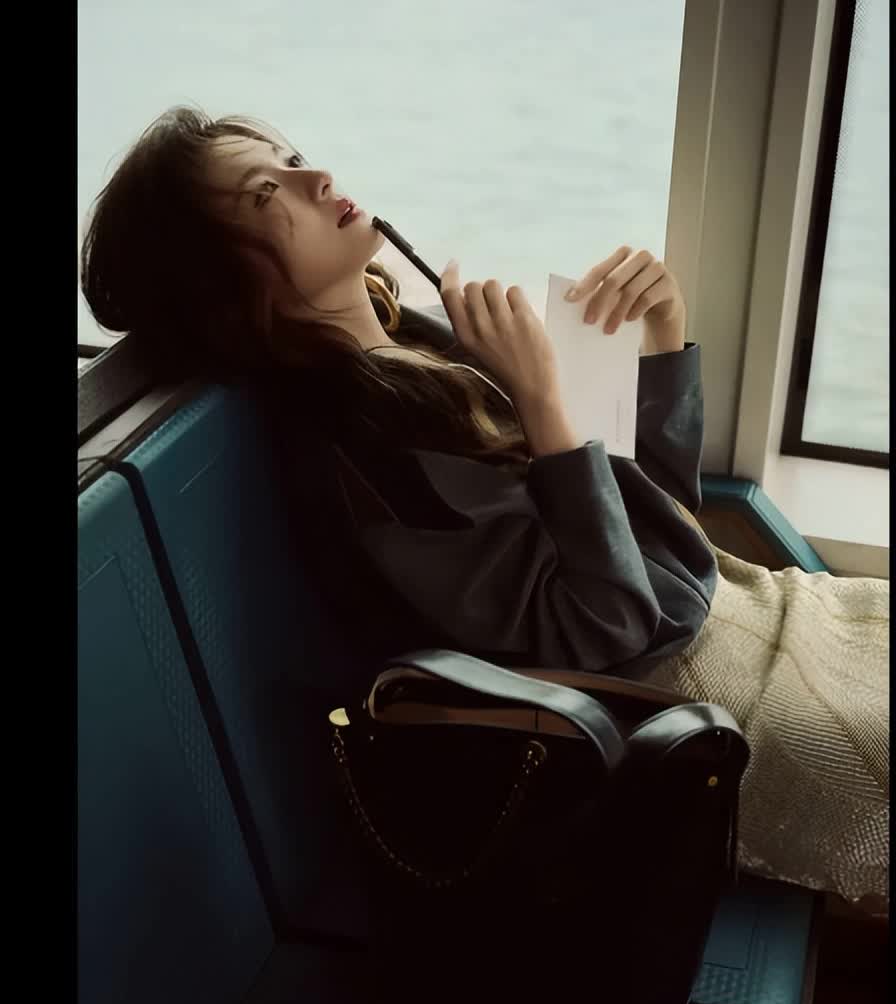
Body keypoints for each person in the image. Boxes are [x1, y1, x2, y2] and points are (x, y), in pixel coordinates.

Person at [81, 106, 888, 915]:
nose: (316, 178)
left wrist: (663, 339)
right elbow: (608, 626)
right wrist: (542, 402)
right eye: (267, 193)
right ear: (230, 291)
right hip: (683, 708)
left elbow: (658, 524)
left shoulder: (424, 347)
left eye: (293, 159)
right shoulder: (374, 470)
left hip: (745, 613)